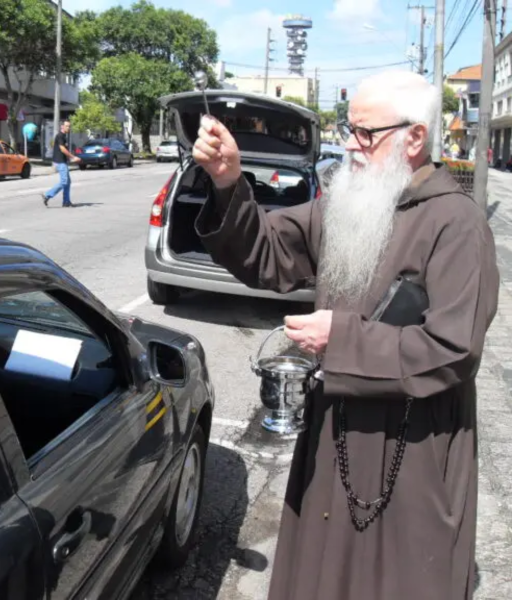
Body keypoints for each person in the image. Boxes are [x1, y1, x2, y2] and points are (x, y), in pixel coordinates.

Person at [192, 70, 499, 600]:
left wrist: (343, 340)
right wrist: (227, 181)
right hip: (334, 432)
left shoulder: (457, 224)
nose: (350, 145)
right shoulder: (344, 202)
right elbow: (266, 253)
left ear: (415, 138)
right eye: (348, 128)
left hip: (413, 449)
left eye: (365, 133)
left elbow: (454, 350)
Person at [42, 120, 81, 208]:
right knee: (64, 181)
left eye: (69, 126)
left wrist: (69, 159)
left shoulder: (64, 136)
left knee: (68, 182)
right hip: (60, 162)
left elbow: (62, 151)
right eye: (67, 126)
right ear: (62, 127)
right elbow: (62, 149)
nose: (68, 128)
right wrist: (72, 157)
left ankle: (66, 201)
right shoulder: (60, 136)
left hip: (62, 161)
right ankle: (47, 195)